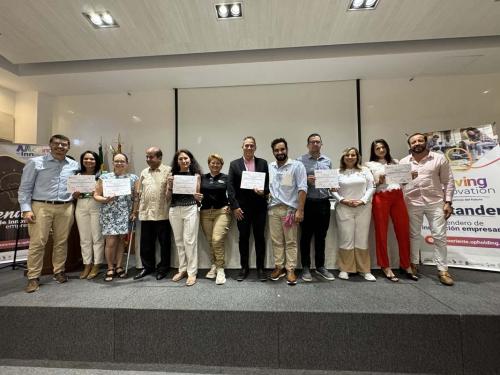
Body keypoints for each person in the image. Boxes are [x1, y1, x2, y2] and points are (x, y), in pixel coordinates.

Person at [18, 134, 80, 293]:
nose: (60, 147)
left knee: (61, 241)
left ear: (68, 147)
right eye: (57, 144)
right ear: (50, 145)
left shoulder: (73, 165)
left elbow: (74, 187)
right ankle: (33, 277)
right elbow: (25, 188)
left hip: (65, 207)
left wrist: (76, 193)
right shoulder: (35, 163)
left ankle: (58, 271)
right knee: (38, 242)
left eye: (64, 145)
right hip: (41, 206)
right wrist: (26, 209)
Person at [400, 133, 455, 286]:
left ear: (426, 142)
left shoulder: (439, 158)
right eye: (413, 142)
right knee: (413, 235)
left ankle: (442, 270)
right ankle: (413, 264)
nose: (417, 143)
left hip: (435, 202)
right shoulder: (404, 162)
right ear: (409, 145)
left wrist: (448, 202)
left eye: (420, 140)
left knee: (439, 236)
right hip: (412, 202)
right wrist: (406, 178)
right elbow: (399, 185)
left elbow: (448, 181)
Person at [365, 139, 417, 282]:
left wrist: (410, 177)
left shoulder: (395, 162)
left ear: (387, 148)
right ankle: (385, 265)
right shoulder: (369, 165)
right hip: (381, 197)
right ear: (373, 151)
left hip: (398, 195)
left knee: (403, 230)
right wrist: (379, 180)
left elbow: (403, 182)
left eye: (383, 147)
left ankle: (406, 265)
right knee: (381, 232)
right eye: (377, 148)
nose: (381, 150)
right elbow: (370, 184)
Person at [227, 136, 270, 281]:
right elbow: (230, 188)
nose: (249, 148)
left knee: (259, 238)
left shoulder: (263, 163)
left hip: (260, 208)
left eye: (252, 145)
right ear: (242, 147)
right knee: (243, 238)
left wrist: (263, 191)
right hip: (242, 209)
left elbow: (269, 185)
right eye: (247, 145)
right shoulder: (234, 164)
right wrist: (235, 207)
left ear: (255, 147)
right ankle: (244, 268)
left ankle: (260, 269)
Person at [94, 153, 139, 282]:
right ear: (113, 163)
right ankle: (110, 267)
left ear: (127, 163)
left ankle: (119, 266)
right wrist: (105, 199)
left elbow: (136, 197)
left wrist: (134, 212)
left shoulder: (133, 178)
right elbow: (96, 195)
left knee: (120, 240)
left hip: (125, 213)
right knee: (110, 242)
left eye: (122, 161)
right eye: (116, 161)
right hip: (109, 213)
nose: (119, 163)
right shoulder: (104, 177)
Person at [333, 147, 376, 281]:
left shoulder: (365, 170)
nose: (350, 157)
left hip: (363, 208)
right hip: (343, 208)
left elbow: (372, 187)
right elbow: (332, 189)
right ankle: (345, 269)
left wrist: (362, 201)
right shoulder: (336, 172)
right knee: (346, 238)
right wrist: (342, 200)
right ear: (343, 157)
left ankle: (364, 270)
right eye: (347, 155)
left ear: (357, 157)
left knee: (362, 238)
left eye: (353, 155)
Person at [268, 138, 307, 285]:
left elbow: (303, 188)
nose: (280, 152)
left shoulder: (297, 166)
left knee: (290, 241)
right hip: (272, 210)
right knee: (276, 241)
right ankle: (279, 267)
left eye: (282, 149)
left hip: (289, 210)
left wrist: (300, 210)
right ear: (273, 152)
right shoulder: (270, 166)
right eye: (276, 150)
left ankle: (290, 269)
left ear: (287, 149)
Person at [297, 133, 335, 282]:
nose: (315, 144)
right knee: (305, 236)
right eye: (312, 142)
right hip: (308, 203)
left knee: (321, 236)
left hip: (324, 202)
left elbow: (330, 181)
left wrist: (333, 185)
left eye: (318, 142)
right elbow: (296, 182)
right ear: (308, 145)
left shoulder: (328, 161)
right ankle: (305, 267)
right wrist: (306, 180)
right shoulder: (300, 161)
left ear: (321, 144)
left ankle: (320, 266)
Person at [134, 147, 172, 281]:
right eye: (147, 157)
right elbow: (139, 193)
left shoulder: (168, 170)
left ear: (159, 158)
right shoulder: (144, 172)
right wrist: (135, 210)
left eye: (151, 157)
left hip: (162, 214)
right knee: (146, 243)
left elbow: (169, 194)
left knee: (164, 244)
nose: (148, 159)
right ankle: (147, 267)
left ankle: (163, 268)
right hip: (146, 213)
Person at [166, 149, 202, 286]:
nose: (184, 161)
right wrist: (169, 185)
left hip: (190, 209)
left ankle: (192, 273)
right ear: (177, 161)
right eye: (180, 159)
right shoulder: (171, 175)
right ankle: (182, 269)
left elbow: (197, 195)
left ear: (190, 160)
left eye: (186, 158)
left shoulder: (195, 175)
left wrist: (198, 196)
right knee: (179, 241)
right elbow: (167, 198)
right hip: (174, 210)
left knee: (190, 241)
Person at [200, 154, 231, 285]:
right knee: (210, 241)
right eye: (213, 162)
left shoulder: (226, 178)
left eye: (218, 163)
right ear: (209, 164)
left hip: (221, 212)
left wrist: (229, 205)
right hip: (205, 212)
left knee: (217, 239)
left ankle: (220, 268)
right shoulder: (202, 178)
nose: (215, 165)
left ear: (221, 165)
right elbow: (197, 192)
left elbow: (232, 193)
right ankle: (213, 265)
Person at [74, 150, 104, 280]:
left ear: (96, 161)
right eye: (86, 159)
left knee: (97, 237)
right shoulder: (77, 175)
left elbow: (106, 193)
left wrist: (97, 192)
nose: (89, 161)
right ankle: (87, 264)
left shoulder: (102, 176)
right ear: (82, 161)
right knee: (84, 238)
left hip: (96, 206)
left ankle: (97, 264)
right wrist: (74, 194)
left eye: (92, 159)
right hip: (80, 206)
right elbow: (73, 194)